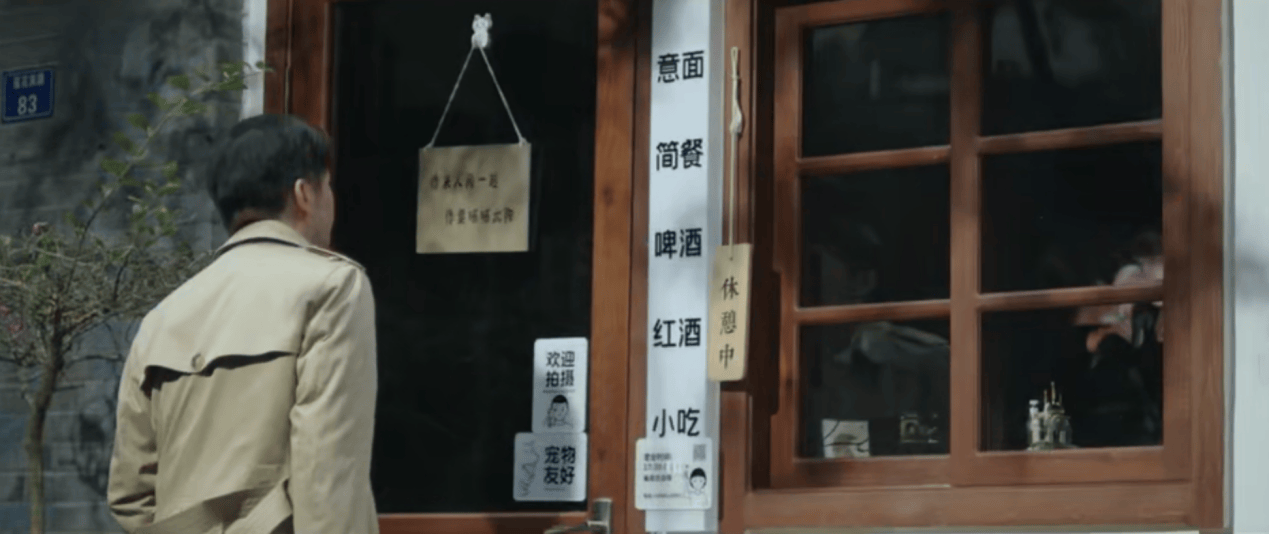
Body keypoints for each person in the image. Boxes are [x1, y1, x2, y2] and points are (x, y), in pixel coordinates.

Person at [106, 114, 380, 533]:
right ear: (304, 194)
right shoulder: (330, 287)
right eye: (327, 185)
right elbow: (329, 472)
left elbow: (130, 496)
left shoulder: (163, 317)